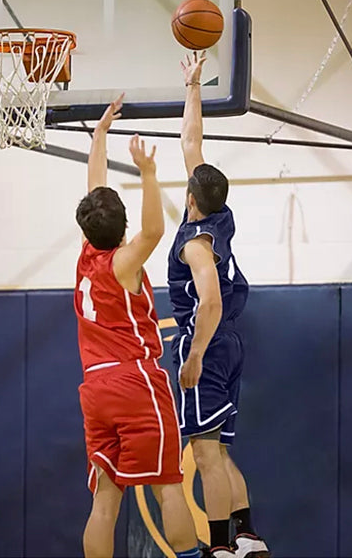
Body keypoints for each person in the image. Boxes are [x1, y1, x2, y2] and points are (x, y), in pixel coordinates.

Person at [74, 93, 201, 558]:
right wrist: (148, 173)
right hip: (134, 382)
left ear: (86, 227)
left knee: (105, 499)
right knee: (168, 484)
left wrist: (100, 135)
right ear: (119, 227)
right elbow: (153, 232)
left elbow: (94, 186)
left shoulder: (87, 257)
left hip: (95, 388)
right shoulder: (123, 262)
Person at [167, 53, 271, 558]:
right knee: (221, 449)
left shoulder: (195, 242)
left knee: (204, 453)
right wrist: (192, 87)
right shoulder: (220, 213)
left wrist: (193, 356)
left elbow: (207, 302)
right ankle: (247, 535)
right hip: (231, 342)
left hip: (206, 343)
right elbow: (192, 143)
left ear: (190, 196)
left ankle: (220, 548)